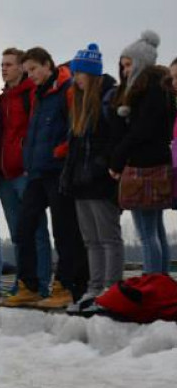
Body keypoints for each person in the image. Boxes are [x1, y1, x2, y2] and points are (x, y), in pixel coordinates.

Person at [3, 47, 88, 308]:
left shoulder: (66, 89)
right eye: (27, 71)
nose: (31, 75)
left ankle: (65, 285)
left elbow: (77, 126)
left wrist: (61, 151)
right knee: (23, 227)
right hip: (37, 171)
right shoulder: (38, 94)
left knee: (64, 231)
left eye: (33, 70)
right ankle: (29, 285)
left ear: (47, 65)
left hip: (59, 171)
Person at [61, 43, 121, 312]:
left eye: (79, 74)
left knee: (108, 237)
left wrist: (102, 166)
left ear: (91, 74)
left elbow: (116, 140)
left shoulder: (109, 98)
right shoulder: (79, 104)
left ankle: (112, 288)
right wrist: (69, 176)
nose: (75, 79)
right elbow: (73, 147)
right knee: (91, 240)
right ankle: (94, 288)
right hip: (81, 183)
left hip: (100, 182)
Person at [108, 30, 173, 274]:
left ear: (141, 63)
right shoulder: (159, 87)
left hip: (144, 166)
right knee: (155, 230)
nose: (124, 71)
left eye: (128, 65)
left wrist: (118, 158)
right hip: (155, 162)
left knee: (147, 233)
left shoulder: (150, 90)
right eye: (122, 65)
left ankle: (153, 283)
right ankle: (161, 281)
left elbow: (140, 131)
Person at [0, 47, 52, 297]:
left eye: (9, 64)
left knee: (37, 231)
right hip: (5, 176)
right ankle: (23, 282)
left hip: (26, 173)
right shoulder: (2, 100)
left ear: (21, 67)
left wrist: (32, 165)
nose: (4, 68)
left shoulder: (33, 95)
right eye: (2, 65)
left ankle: (41, 284)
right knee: (18, 233)